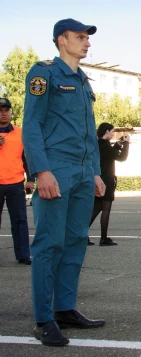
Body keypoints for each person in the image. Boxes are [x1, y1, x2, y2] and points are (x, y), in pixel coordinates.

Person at [22, 18, 107, 347]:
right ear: (62, 41)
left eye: (87, 37)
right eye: (80, 37)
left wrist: (96, 172)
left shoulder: (84, 81)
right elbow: (31, 125)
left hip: (84, 172)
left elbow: (89, 131)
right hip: (56, 170)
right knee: (48, 244)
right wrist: (41, 171)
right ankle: (43, 319)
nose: (87, 43)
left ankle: (65, 309)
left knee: (74, 242)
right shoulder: (44, 73)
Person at [0, 97, 34, 265]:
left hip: (15, 183)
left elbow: (26, 157)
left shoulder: (20, 132)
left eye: (6, 110)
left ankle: (23, 255)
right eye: (0, 111)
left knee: (20, 220)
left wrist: (31, 179)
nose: (3, 114)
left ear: (10, 112)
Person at [88, 123, 130, 246]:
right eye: (112, 132)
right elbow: (122, 157)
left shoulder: (98, 144)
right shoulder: (105, 145)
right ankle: (104, 238)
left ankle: (81, 235)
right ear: (106, 132)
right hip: (106, 181)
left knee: (96, 208)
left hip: (99, 179)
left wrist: (117, 145)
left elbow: (109, 155)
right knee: (106, 209)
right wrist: (127, 144)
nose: (113, 134)